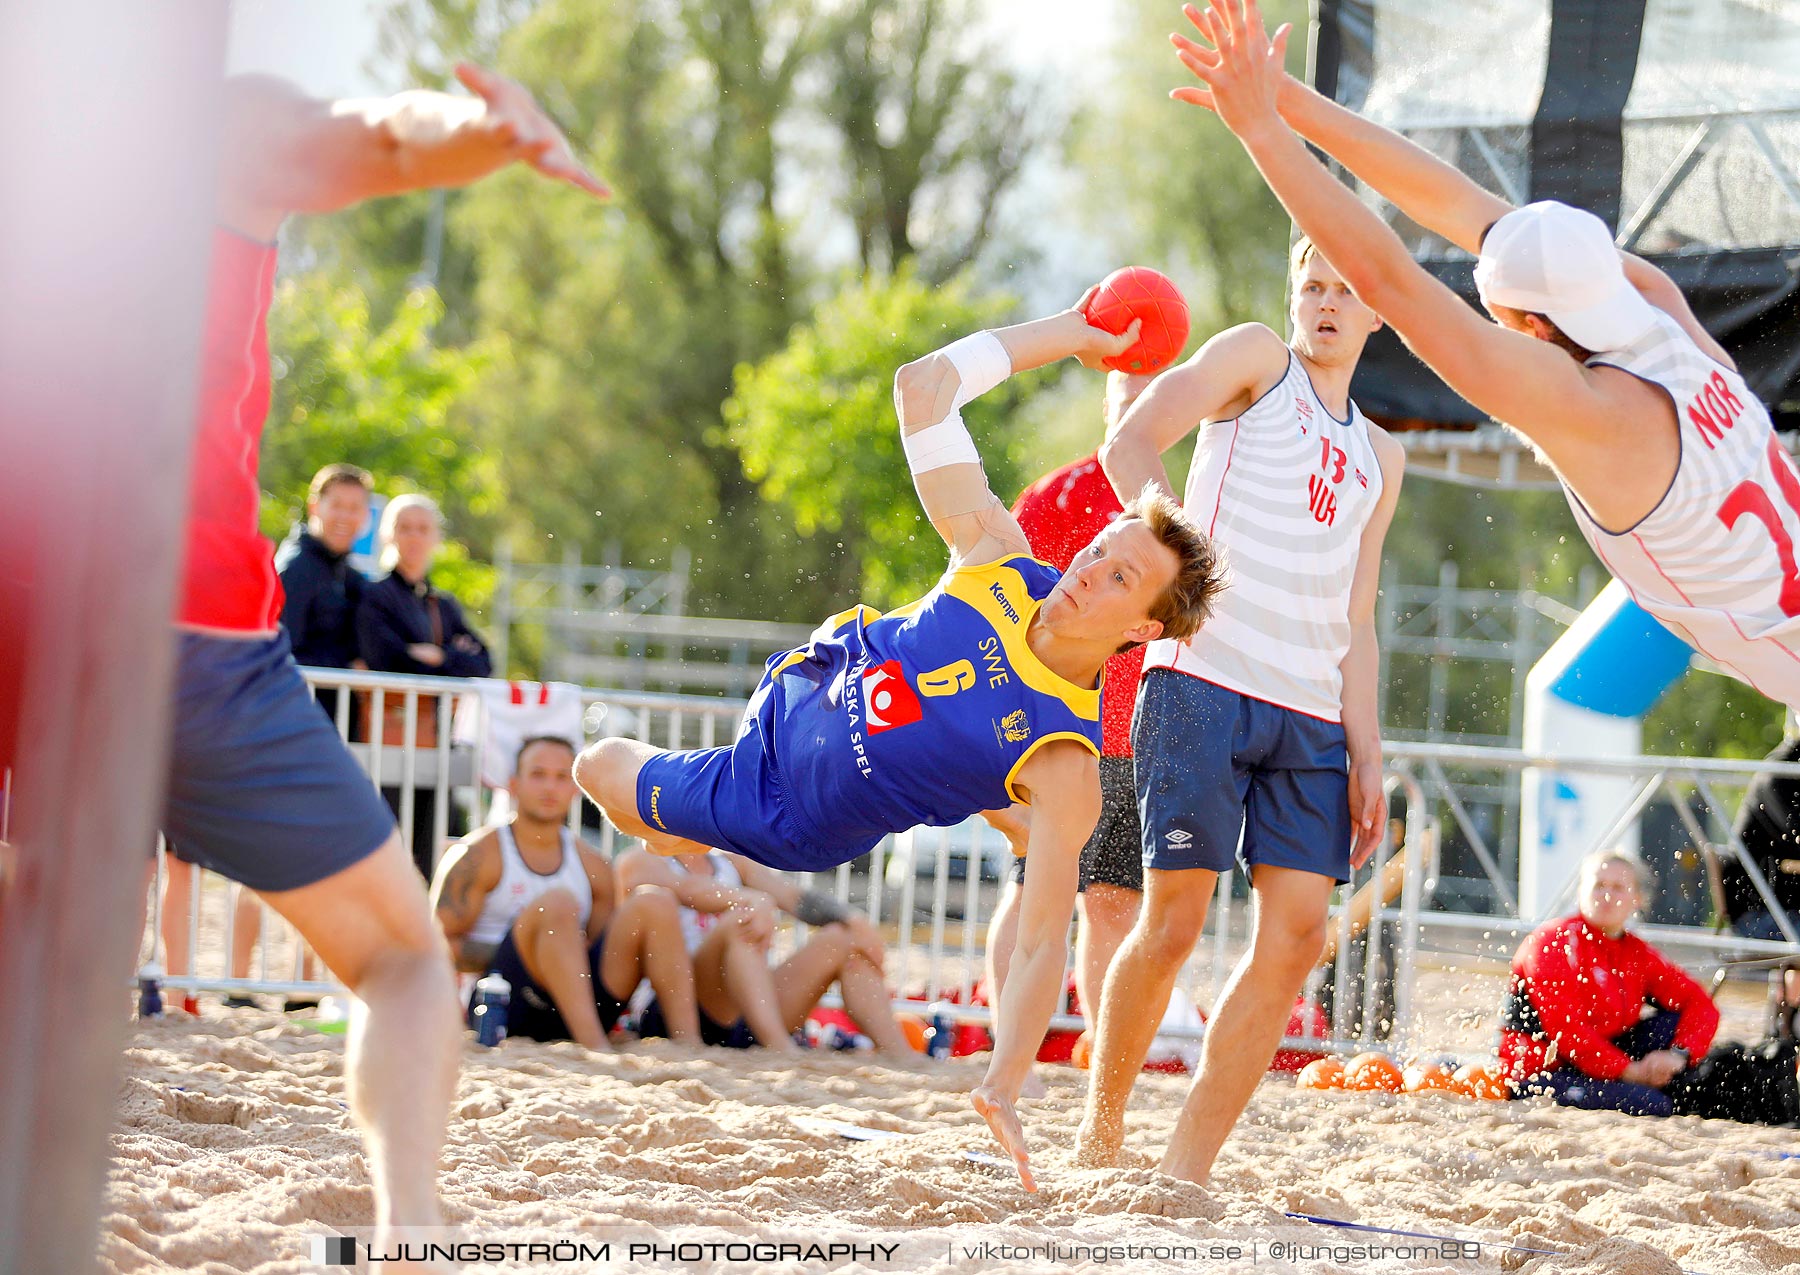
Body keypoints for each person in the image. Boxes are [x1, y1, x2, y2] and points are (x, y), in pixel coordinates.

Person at [574, 298, 1227, 1189]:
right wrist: (1074, 332)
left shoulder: (1068, 764)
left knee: (597, 769)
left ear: (1145, 629)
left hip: (787, 811)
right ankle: (982, 806)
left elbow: (1042, 945)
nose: (1087, 573)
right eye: (1100, 549)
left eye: (1120, 577)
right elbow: (923, 391)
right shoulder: (999, 557)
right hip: (803, 684)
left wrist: (1006, 1075)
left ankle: (682, 827)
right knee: (618, 780)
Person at [165, 64, 605, 1261]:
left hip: (28, 611)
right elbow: (387, 142)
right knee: (406, 960)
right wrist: (486, 133)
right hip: (191, 631)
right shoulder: (216, 124)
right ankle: (408, 1229)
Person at [1171, 0, 1800, 708]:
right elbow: (1465, 206)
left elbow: (1390, 283)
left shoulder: (1589, 412)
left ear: (1526, 325)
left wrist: (1261, 128)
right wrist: (1283, 98)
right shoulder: (1659, 311)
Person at [1074, 233, 1404, 1184]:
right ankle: (1100, 1133)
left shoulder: (1382, 458)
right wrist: (1167, 560)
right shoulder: (1258, 360)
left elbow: (1359, 617)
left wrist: (1368, 749)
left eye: (1347, 291)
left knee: (1297, 937)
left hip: (1309, 716)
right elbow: (1128, 437)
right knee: (1173, 921)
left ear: (1378, 311)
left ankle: (1184, 1171)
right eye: (1313, 284)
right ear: (1292, 292)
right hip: (1204, 681)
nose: (1327, 304)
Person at [984, 369, 1157, 1084]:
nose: (1137, 412)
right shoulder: (1055, 494)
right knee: (1032, 893)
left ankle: (1100, 1056)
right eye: (1128, 397)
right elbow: (1006, 600)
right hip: (1059, 725)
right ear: (1108, 404)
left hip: (1141, 730)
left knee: (1114, 904)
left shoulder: (1174, 507)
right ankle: (1007, 1044)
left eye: (1152, 399)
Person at [429, 737, 698, 1050]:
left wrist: (565, 948)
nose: (549, 788)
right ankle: (597, 1049)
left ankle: (690, 1045)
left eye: (561, 778)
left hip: (579, 1003)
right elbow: (435, 945)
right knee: (557, 905)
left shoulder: (593, 864)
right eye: (538, 774)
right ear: (513, 785)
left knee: (654, 900)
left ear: (575, 789)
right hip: (505, 1000)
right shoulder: (476, 855)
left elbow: (604, 949)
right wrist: (533, 944)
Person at [616, 846, 913, 1055]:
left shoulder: (730, 861)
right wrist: (748, 899)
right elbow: (688, 889)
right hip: (675, 1008)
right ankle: (781, 1049)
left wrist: (854, 919)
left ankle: (902, 1055)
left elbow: (791, 897)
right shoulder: (643, 858)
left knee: (843, 939)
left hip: (746, 1007)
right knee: (742, 922)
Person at [1501, 849, 1719, 1116]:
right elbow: (1568, 1034)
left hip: (1604, 1060)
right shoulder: (1552, 942)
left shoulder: (1636, 953)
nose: (1606, 896)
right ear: (1581, 891)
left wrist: (1679, 1055)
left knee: (1675, 1028)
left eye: (1618, 888)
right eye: (1598, 885)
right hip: (1542, 1071)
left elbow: (1700, 1004)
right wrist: (1631, 1071)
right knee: (1655, 1104)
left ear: (1637, 899)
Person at [359, 492, 493, 879]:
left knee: (434, 852)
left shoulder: (443, 604)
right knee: (384, 851)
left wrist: (436, 655)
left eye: (422, 529)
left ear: (436, 537)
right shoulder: (375, 596)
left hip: (435, 741)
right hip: (388, 741)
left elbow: (483, 662)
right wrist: (448, 656)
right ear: (388, 536)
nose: (414, 537)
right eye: (404, 528)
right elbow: (386, 659)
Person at [1725, 736, 1800, 1035]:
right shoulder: (1779, 775)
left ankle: (1788, 1024)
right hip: (1755, 919)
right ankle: (1789, 1027)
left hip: (1782, 912)